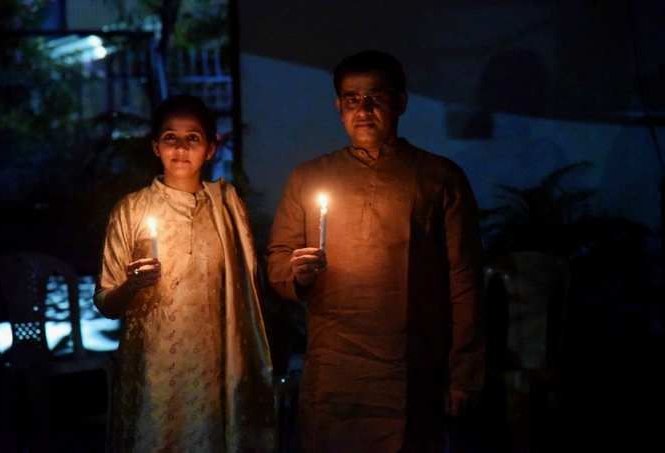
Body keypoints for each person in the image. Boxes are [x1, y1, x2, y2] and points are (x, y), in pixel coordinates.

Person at [267, 50, 484, 452]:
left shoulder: (438, 178)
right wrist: (297, 274)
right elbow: (279, 261)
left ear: (400, 102)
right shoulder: (309, 177)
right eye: (352, 99)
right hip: (334, 369)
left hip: (410, 366)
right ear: (338, 107)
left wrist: (463, 374)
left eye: (376, 97)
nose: (363, 110)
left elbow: (464, 281)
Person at [94, 95, 275, 452]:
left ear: (210, 148)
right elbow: (105, 301)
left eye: (192, 138)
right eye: (170, 138)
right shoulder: (131, 210)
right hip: (154, 368)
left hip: (216, 365)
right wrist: (131, 286)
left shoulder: (227, 206)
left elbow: (247, 293)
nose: (180, 148)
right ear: (155, 147)